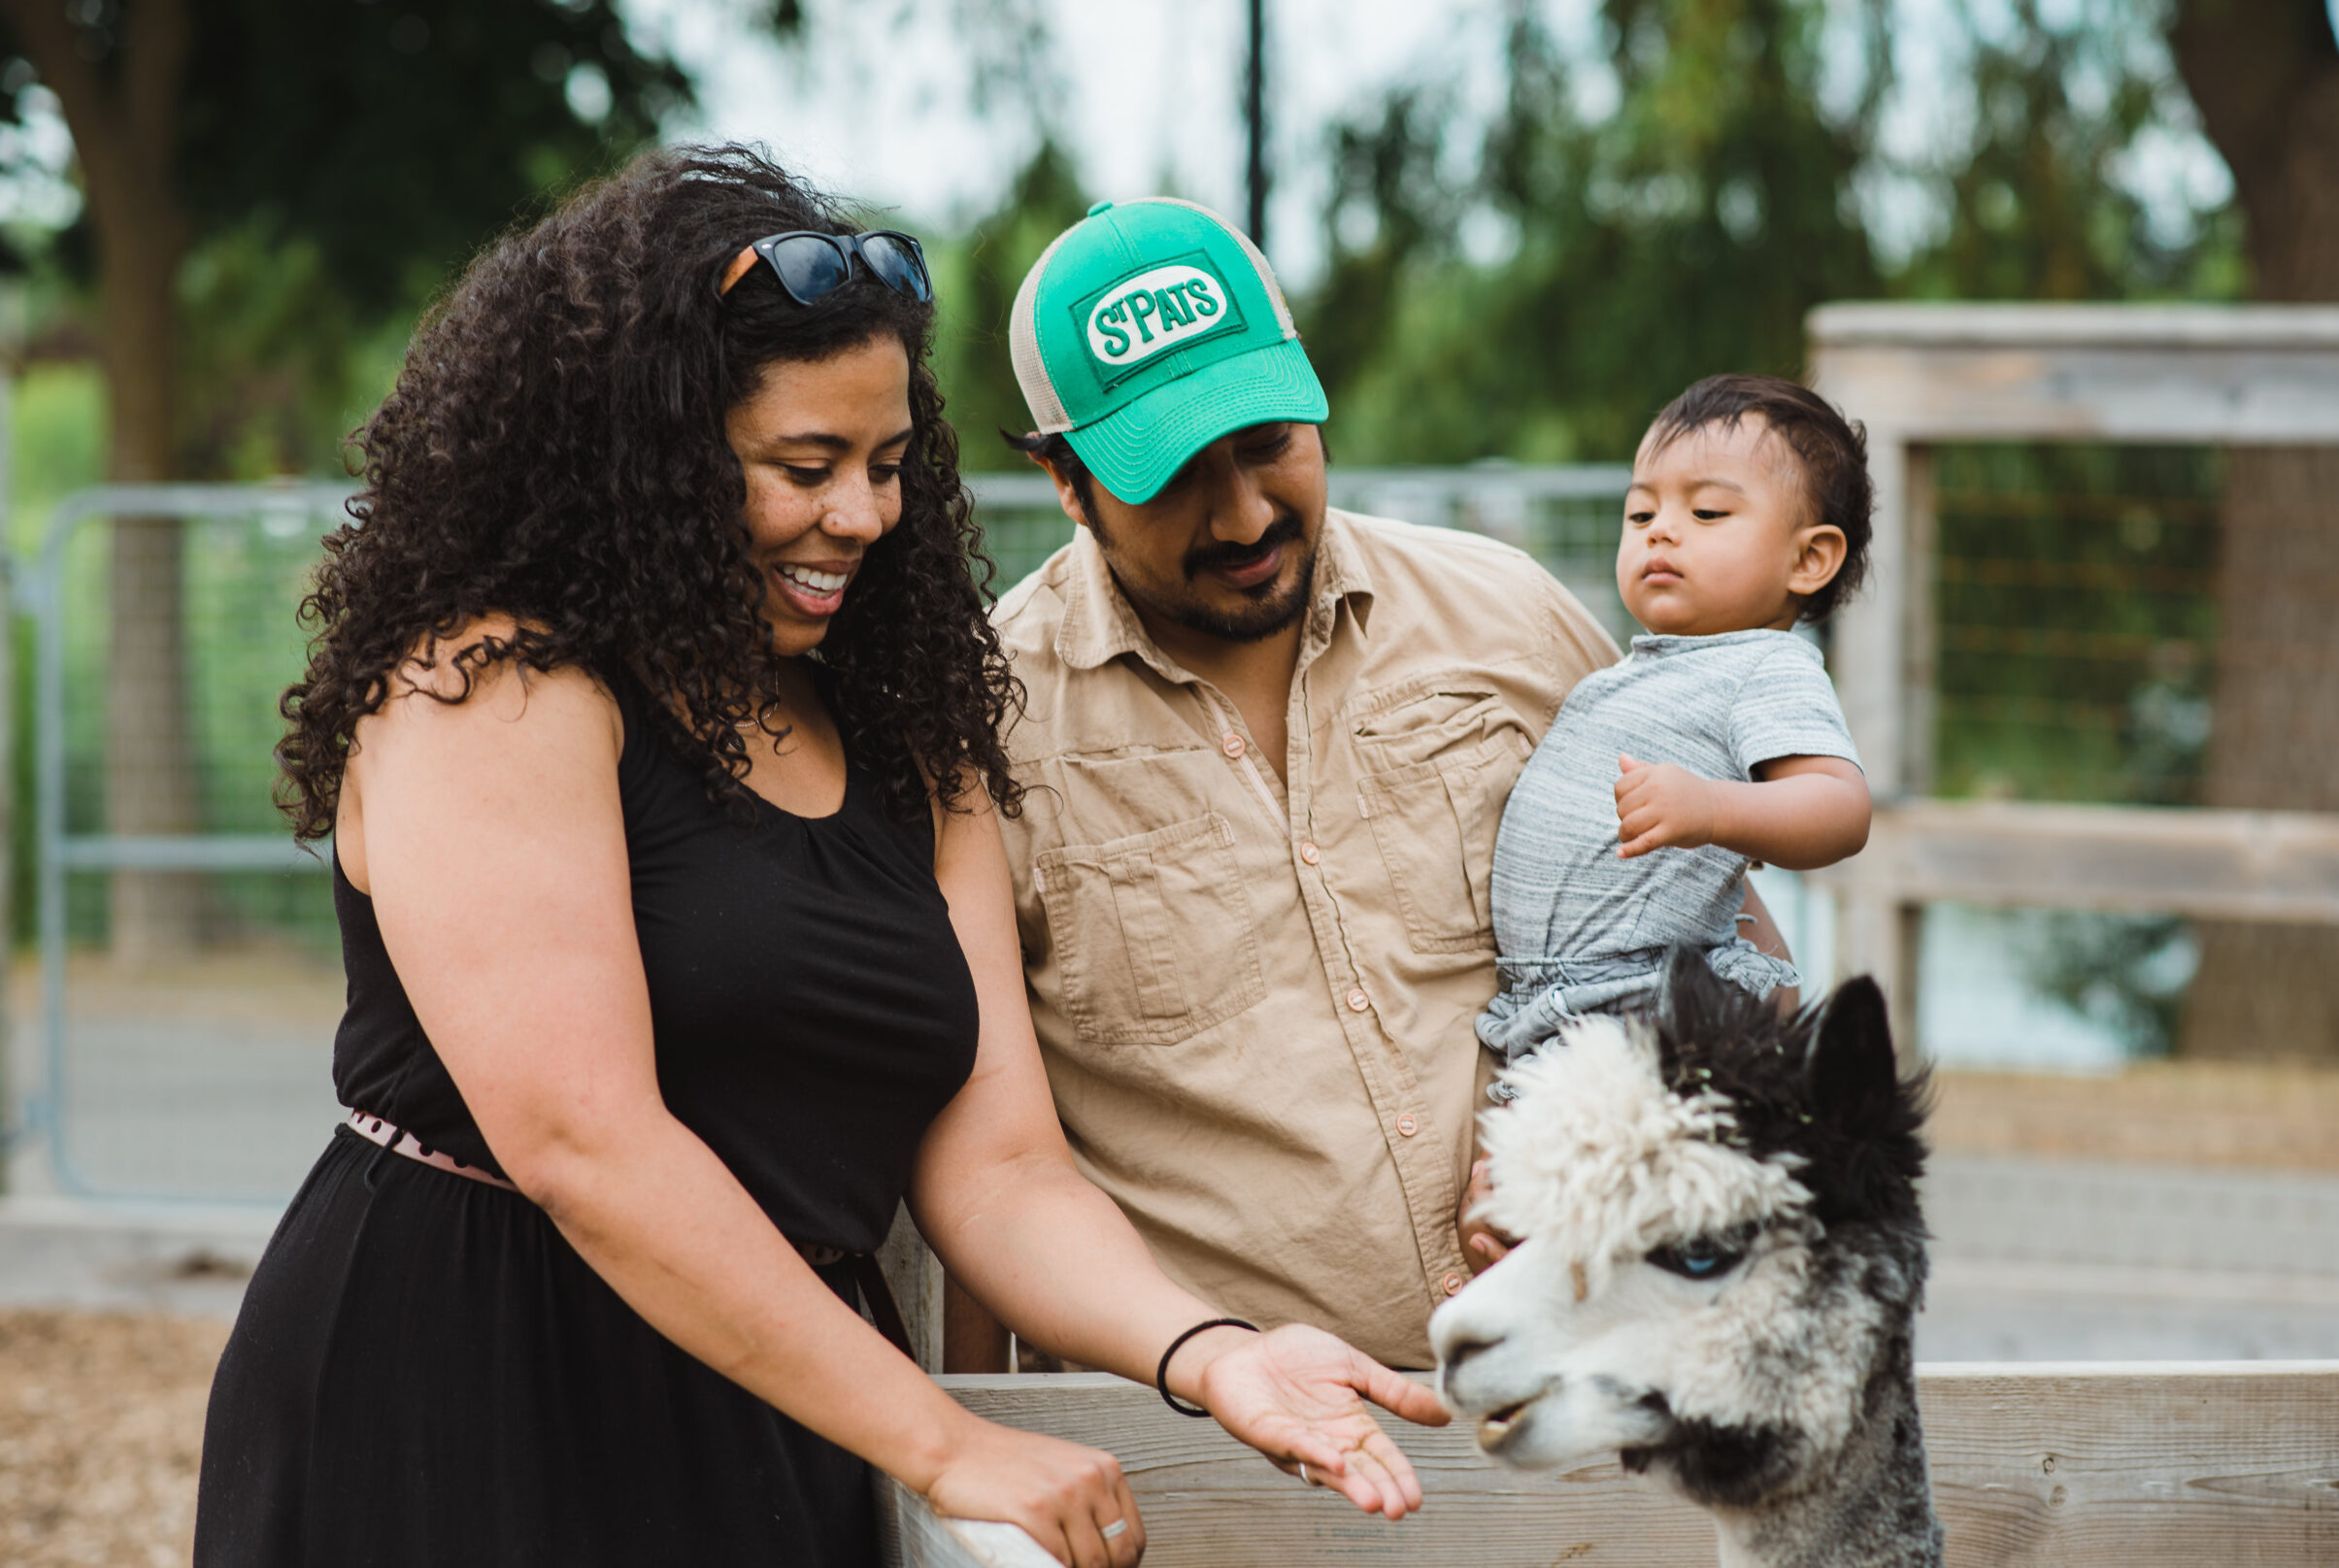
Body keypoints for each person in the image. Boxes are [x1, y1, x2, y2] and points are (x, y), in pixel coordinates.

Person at [193, 149, 1444, 1568]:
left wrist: (1210, 1351)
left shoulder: (912, 728)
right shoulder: (491, 685)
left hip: (781, 1402)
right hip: (469, 1391)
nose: (862, 515)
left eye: (889, 465)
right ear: (650, 457)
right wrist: (943, 1438)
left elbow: (1002, 1171)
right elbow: (585, 1145)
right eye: (806, 467)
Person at [979, 198, 1798, 1371]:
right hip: (1220, 1445)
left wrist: (1638, 1153)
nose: (1244, 513)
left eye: (1267, 441)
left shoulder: (1509, 618)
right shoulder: (988, 730)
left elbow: (1736, 952)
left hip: (1595, 1388)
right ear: (1066, 480)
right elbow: (990, 1165)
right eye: (1174, 475)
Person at [1478, 374, 1875, 1084]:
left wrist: (1713, 808)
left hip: (1647, 1001)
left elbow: (1841, 807)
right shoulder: (1637, 668)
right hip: (1554, 1000)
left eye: (1708, 511)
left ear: (1808, 559)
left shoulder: (1766, 665)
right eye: (1640, 514)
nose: (1660, 529)